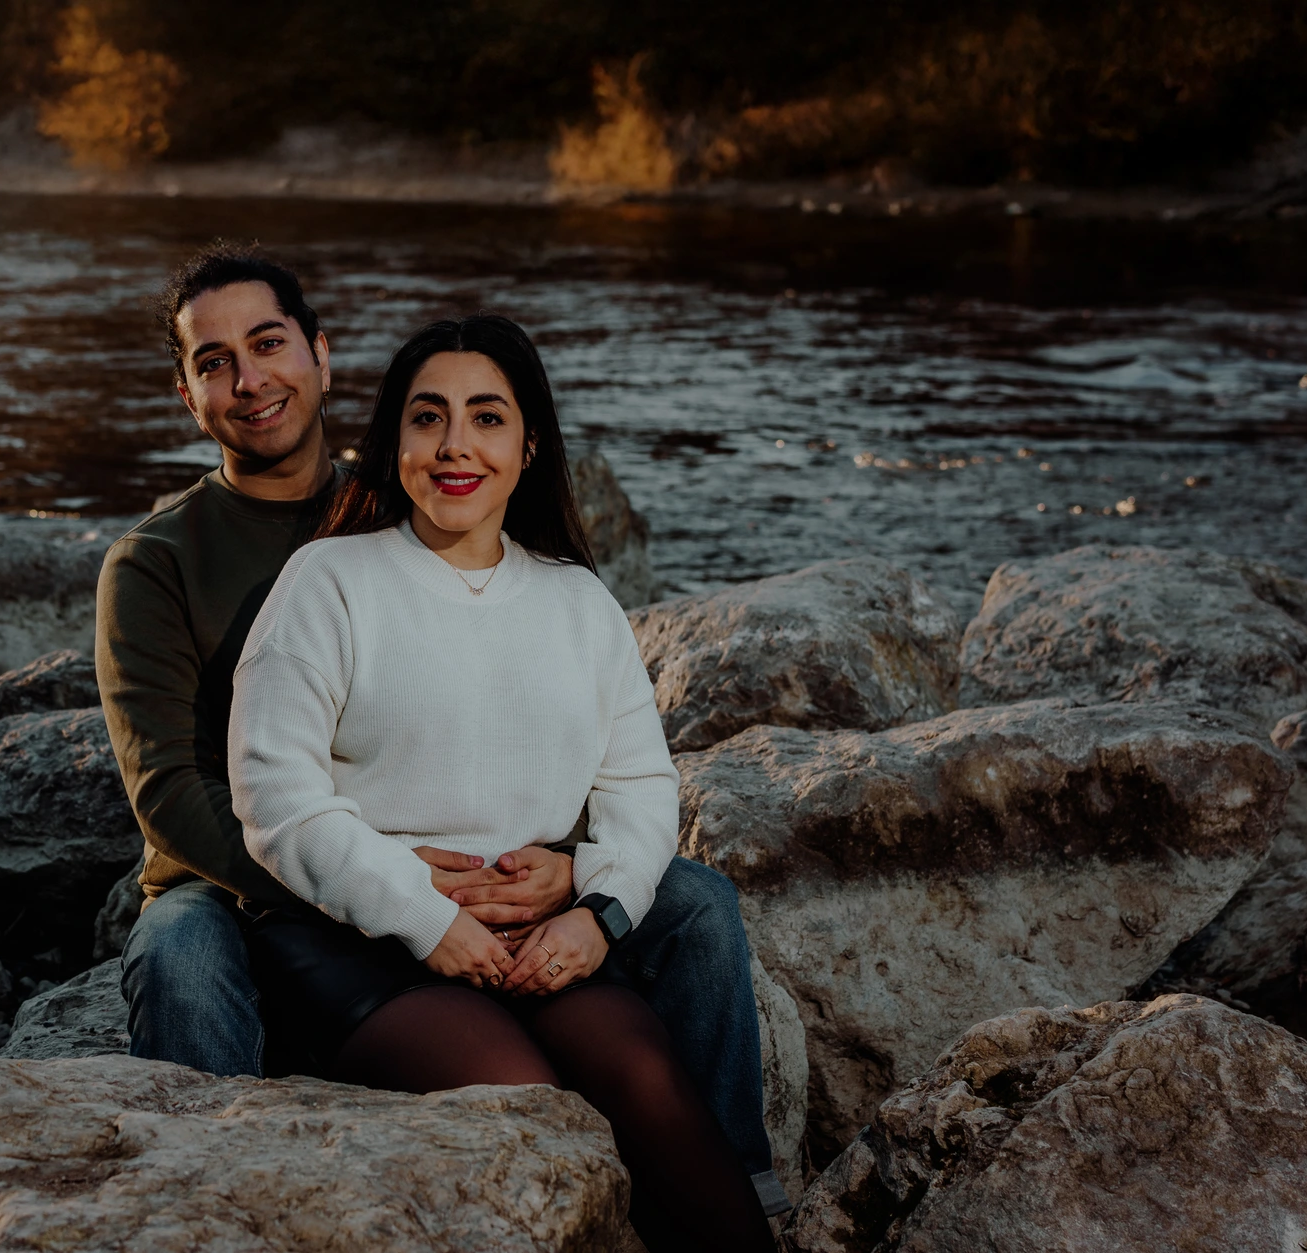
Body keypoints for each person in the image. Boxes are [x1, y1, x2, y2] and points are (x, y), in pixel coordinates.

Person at [94, 245, 790, 1225]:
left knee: (693, 909)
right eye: (214, 361)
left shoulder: (415, 510)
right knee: (183, 958)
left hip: (473, 880)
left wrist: (567, 876)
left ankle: (750, 1178)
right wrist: (398, 889)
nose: (248, 379)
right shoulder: (171, 559)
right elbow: (178, 787)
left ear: (320, 357)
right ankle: (209, 1200)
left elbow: (576, 756)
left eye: (266, 344)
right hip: (254, 878)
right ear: (186, 391)